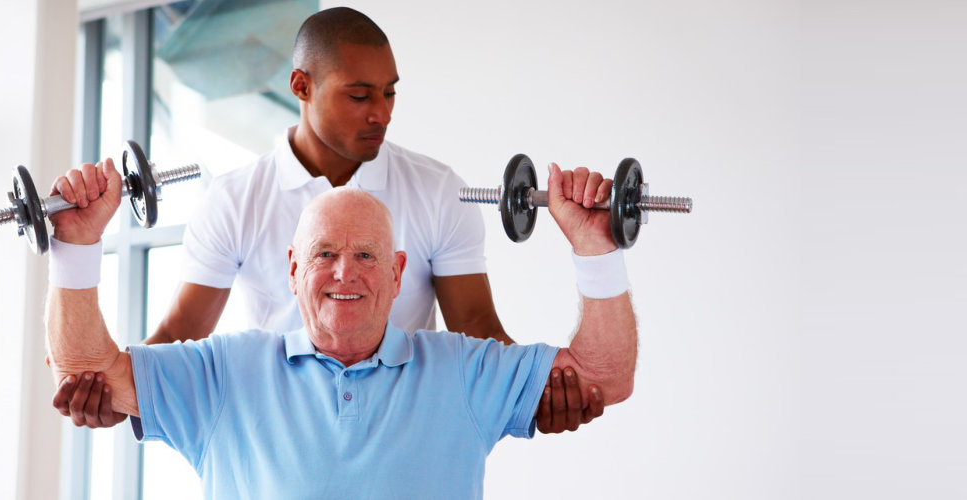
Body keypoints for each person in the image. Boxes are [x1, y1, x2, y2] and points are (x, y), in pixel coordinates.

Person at [53, 6, 611, 434]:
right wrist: (120, 396)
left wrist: (541, 397)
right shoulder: (235, 199)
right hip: (277, 434)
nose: (382, 113)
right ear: (301, 86)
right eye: (360, 95)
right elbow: (177, 338)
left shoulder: (438, 190)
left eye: (390, 93)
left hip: (403, 431)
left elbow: (480, 336)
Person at [42, 155, 639, 498]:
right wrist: (76, 245)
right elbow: (88, 370)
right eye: (324, 254)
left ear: (400, 270)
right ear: (294, 269)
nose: (344, 273)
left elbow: (603, 377)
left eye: (368, 255)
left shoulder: (460, 369)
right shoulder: (225, 371)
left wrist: (596, 248)